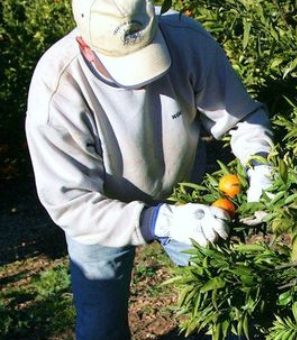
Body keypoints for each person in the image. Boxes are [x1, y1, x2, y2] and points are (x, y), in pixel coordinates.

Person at [24, 0, 273, 338]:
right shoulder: (58, 90)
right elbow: (70, 203)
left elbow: (241, 117)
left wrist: (260, 165)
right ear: (85, 44)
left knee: (228, 304)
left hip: (188, 199)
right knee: (100, 326)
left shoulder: (186, 41)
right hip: (101, 214)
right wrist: (159, 220)